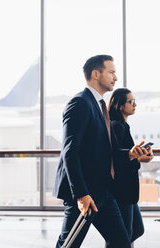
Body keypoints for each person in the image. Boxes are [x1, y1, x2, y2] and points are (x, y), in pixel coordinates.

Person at [53, 55, 149, 248]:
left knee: (122, 242)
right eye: (111, 72)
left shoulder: (98, 105)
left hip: (103, 192)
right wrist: (81, 194)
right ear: (96, 74)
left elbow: (108, 150)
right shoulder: (80, 103)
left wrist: (131, 154)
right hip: (86, 194)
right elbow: (70, 152)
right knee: (68, 245)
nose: (115, 77)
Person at [108, 88, 154, 244]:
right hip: (122, 190)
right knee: (124, 236)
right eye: (131, 102)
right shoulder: (117, 126)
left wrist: (139, 158)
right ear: (120, 106)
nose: (135, 105)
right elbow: (116, 158)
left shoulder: (122, 125)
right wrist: (137, 159)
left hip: (128, 191)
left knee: (136, 230)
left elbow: (126, 156)